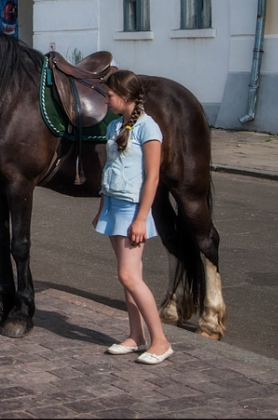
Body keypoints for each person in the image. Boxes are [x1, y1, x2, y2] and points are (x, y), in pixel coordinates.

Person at [93, 69, 173, 365]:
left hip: (132, 209)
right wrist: (102, 207)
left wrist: (141, 219)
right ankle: (135, 336)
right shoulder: (115, 126)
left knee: (128, 275)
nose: (106, 100)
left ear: (125, 96)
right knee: (130, 278)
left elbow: (152, 179)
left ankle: (161, 341)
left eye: (110, 95)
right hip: (114, 205)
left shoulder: (147, 128)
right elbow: (109, 169)